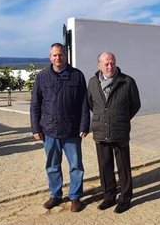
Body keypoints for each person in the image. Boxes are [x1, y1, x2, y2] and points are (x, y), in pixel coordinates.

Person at [30, 43, 89, 213]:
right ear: (50, 57)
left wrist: (84, 125)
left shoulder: (77, 76)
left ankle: (75, 197)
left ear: (66, 56)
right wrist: (35, 128)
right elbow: (35, 104)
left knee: (76, 166)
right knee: (52, 165)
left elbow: (84, 103)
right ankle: (55, 195)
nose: (58, 58)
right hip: (50, 130)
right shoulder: (42, 77)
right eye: (54, 55)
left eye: (60, 55)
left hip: (72, 131)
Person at [87, 52, 141, 214]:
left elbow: (135, 104)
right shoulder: (92, 83)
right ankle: (109, 196)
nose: (110, 66)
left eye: (112, 63)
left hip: (120, 131)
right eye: (106, 64)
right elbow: (91, 104)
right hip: (100, 130)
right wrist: (103, 118)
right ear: (99, 65)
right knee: (105, 166)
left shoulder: (127, 81)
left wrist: (121, 118)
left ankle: (125, 198)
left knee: (123, 167)